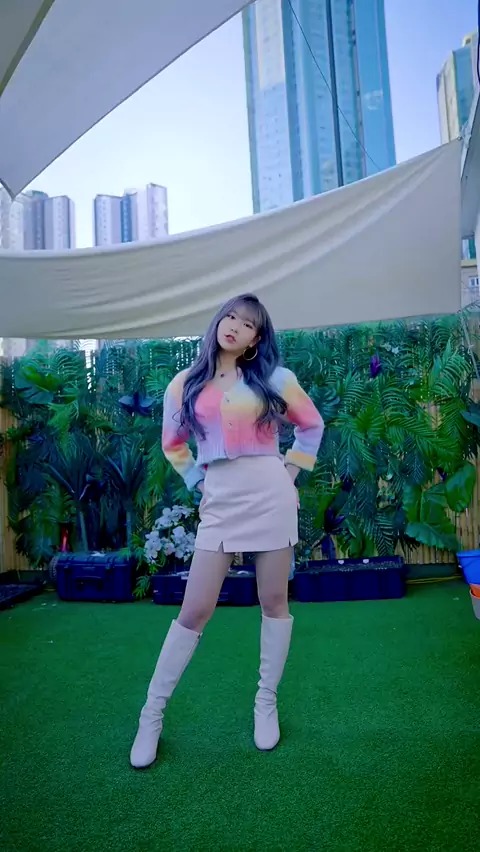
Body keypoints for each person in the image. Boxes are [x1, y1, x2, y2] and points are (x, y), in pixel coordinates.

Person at [130, 293, 324, 768]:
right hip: (219, 501)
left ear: (256, 339)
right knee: (194, 610)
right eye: (231, 316)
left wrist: (289, 473)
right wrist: (199, 482)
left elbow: (311, 426)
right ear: (219, 321)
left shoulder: (275, 379)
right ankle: (151, 715)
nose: (234, 325)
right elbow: (173, 444)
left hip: (270, 495)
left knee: (274, 603)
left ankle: (266, 702)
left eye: (248, 323)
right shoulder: (185, 383)